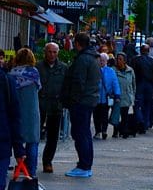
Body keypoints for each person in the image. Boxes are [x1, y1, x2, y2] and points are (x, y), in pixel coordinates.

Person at [60, 32, 100, 178]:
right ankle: (85, 164)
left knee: (80, 133)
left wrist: (72, 100)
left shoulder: (83, 59)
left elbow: (78, 82)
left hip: (81, 101)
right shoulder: (93, 58)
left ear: (77, 43)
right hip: (88, 100)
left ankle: (84, 165)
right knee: (84, 133)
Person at [11, 47, 41, 184]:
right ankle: (32, 172)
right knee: (32, 141)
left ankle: (14, 165)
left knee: (15, 141)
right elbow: (39, 88)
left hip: (16, 111)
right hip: (31, 111)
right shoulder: (34, 73)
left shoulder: (11, 74)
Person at [35, 42, 65, 174]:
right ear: (45, 52)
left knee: (53, 136)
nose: (52, 54)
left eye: (54, 52)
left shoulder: (63, 68)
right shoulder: (38, 67)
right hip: (39, 105)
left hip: (55, 105)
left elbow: (67, 86)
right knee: (35, 134)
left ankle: (47, 161)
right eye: (49, 52)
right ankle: (29, 160)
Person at [130, 44, 153, 134]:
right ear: (148, 51)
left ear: (141, 51)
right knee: (147, 105)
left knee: (137, 105)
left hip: (138, 85)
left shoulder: (135, 60)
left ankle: (140, 120)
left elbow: (132, 73)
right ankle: (145, 124)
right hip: (150, 85)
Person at [93, 53, 119, 140]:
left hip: (106, 97)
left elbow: (115, 83)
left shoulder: (110, 71)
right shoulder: (94, 69)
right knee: (96, 115)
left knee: (104, 115)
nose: (101, 62)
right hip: (95, 97)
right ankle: (97, 131)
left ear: (106, 61)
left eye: (103, 60)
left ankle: (104, 130)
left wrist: (117, 94)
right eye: (100, 60)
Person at [112, 54, 135, 138]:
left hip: (127, 96)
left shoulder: (130, 70)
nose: (118, 61)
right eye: (117, 59)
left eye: (120, 59)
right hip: (117, 96)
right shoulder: (113, 70)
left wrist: (132, 94)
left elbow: (133, 84)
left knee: (125, 115)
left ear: (125, 61)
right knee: (116, 115)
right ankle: (115, 131)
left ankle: (124, 131)